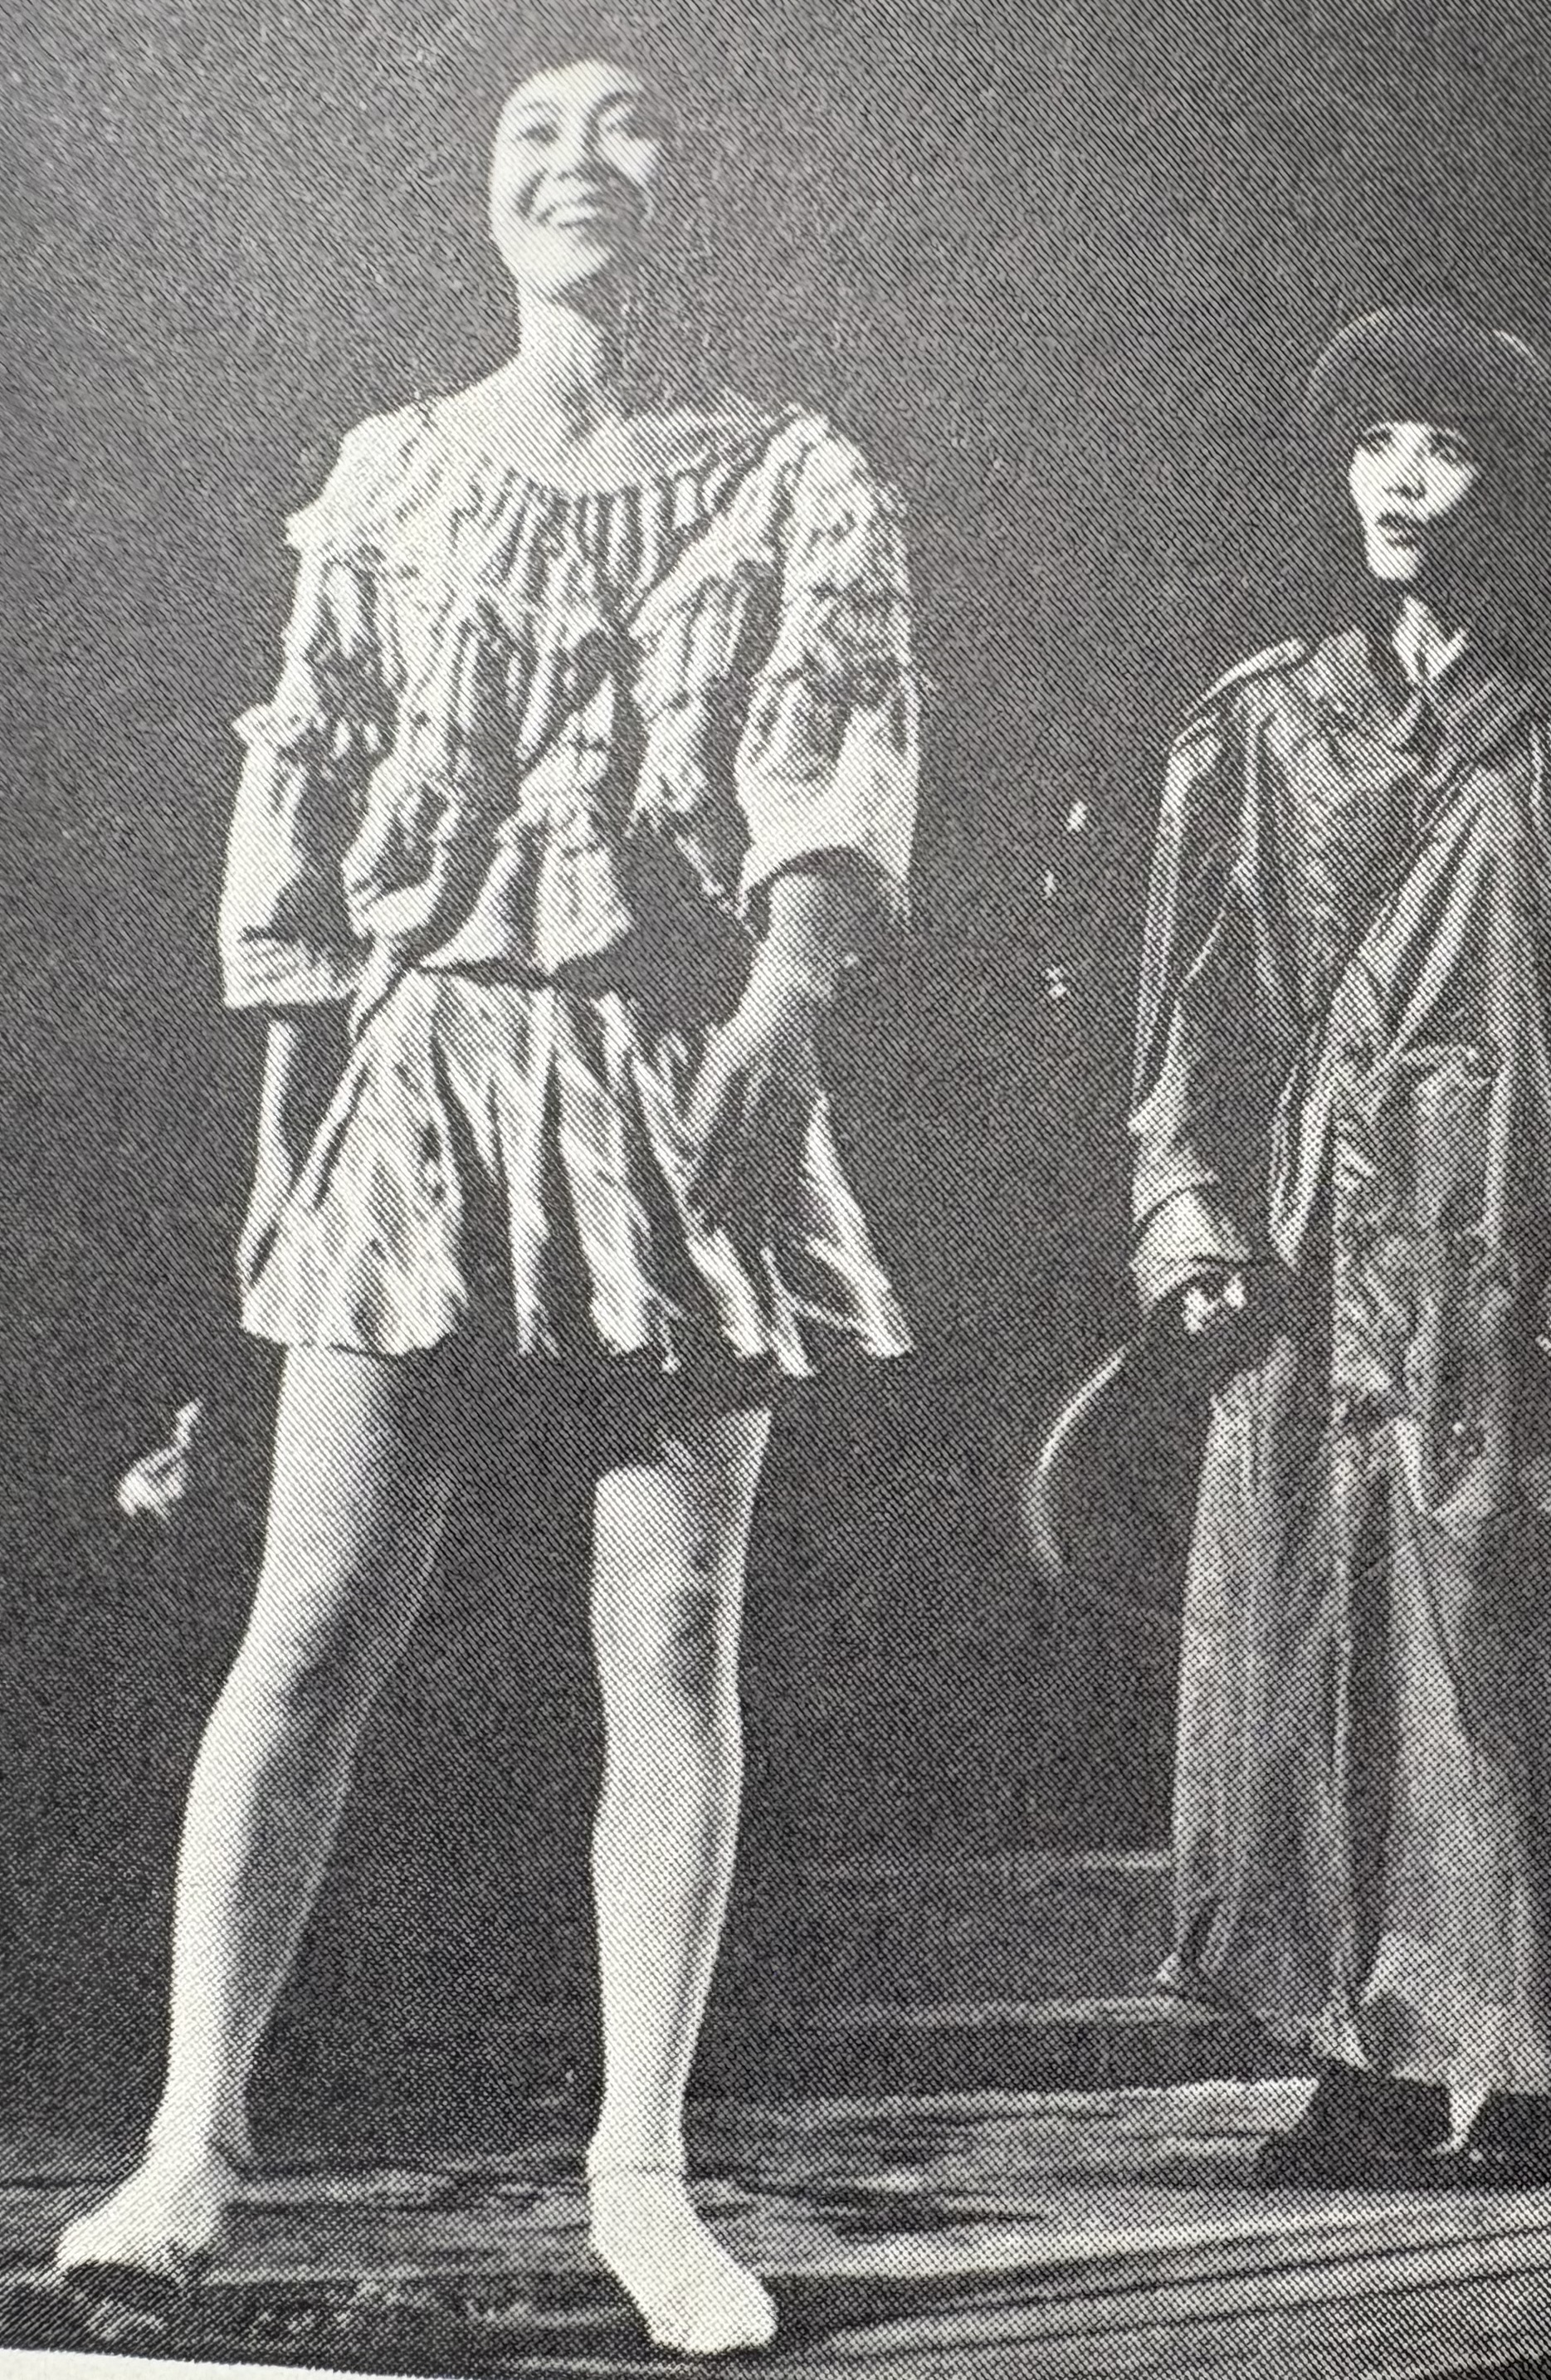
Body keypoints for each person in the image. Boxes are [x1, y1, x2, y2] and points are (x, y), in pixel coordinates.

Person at [56, 29, 917, 2357]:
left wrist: (783, 1005)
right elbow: (309, 818)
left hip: (670, 1068)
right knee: (311, 1621)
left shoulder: (797, 473)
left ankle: (641, 2167)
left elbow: (834, 752)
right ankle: (190, 2140)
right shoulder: (392, 472)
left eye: (625, 128)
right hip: (423, 1071)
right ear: (483, 190)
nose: (577, 164)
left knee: (670, 1633)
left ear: (693, 183)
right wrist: (280, 1157)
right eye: (534, 132)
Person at [1128, 306, 1551, 2186]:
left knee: (1539, 1648)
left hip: (1517, 1264)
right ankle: (1375, 2062)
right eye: (1375, 442)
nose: (1403, 480)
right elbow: (1191, 1008)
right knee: (1325, 1652)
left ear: (1509, 483)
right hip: (1320, 1270)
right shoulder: (1261, 723)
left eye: (1448, 446)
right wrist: (1189, 1217)